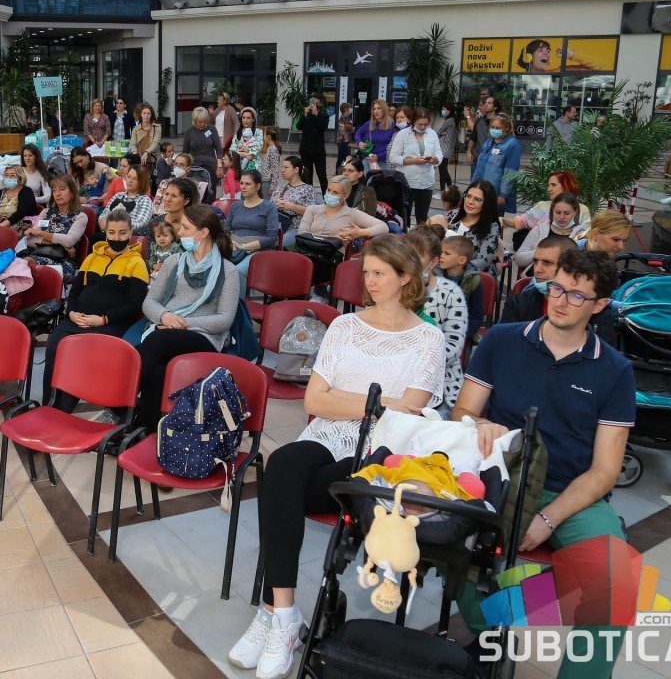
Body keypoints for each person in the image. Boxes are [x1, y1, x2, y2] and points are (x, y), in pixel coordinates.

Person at [230, 235, 445, 679]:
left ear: (406, 277)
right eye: (366, 272)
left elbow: (409, 412)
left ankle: (272, 616)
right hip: (326, 434)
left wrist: (354, 400)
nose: (370, 281)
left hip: (380, 450)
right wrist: (379, 401)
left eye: (380, 273)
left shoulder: (428, 338)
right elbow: (315, 400)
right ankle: (283, 614)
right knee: (283, 465)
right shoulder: (345, 327)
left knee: (288, 492)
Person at [453, 249, 634, 679]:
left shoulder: (615, 370)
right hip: (500, 474)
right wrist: (480, 424)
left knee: (615, 583)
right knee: (446, 541)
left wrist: (549, 518)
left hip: (568, 490)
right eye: (556, 288)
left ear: (599, 305)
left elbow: (605, 469)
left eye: (576, 295)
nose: (560, 301)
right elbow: (463, 412)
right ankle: (488, 635)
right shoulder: (502, 339)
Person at [135, 204, 240, 430]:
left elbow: (224, 320)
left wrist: (181, 324)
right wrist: (165, 316)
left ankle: (119, 403)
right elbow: (149, 302)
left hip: (204, 335)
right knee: (159, 368)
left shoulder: (228, 270)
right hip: (168, 328)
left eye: (185, 228)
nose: (179, 232)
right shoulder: (174, 262)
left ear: (203, 232)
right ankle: (147, 427)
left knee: (156, 341)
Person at [43, 209, 149, 412]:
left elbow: (135, 304)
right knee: (55, 346)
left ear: (130, 233)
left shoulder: (137, 263)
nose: (116, 238)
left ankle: (61, 411)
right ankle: (49, 406)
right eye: (112, 232)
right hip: (77, 319)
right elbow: (75, 291)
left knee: (80, 352)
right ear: (105, 233)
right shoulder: (92, 257)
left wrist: (103, 319)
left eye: (122, 233)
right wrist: (71, 312)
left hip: (110, 324)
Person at [405, 225, 468, 417]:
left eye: (415, 256)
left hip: (440, 386)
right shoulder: (393, 286)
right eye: (404, 254)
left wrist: (411, 359)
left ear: (433, 262)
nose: (407, 261)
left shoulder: (450, 293)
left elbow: (453, 347)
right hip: (397, 378)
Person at [291, 176, 388, 251]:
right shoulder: (312, 209)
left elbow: (383, 227)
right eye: (328, 190)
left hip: (332, 260)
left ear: (345, 196)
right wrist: (330, 240)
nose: (330, 194)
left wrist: (360, 232)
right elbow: (301, 235)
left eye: (335, 192)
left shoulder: (351, 213)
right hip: (307, 254)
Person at [19, 175, 88, 279]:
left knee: (26, 263)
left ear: (72, 192)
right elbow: (31, 239)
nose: (57, 194)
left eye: (62, 189)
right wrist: (61, 244)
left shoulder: (80, 217)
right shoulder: (46, 213)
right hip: (38, 254)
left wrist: (41, 233)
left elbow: (69, 241)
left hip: (63, 262)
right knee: (18, 263)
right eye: (54, 190)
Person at [499, 234, 576, 324]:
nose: (537, 270)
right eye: (536, 262)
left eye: (547, 263)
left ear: (569, 267)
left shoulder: (585, 304)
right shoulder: (519, 303)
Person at [225, 169, 279, 293]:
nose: (243, 187)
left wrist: (245, 246)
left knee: (238, 271)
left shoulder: (269, 207)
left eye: (248, 184)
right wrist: (231, 244)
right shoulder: (235, 206)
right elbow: (225, 231)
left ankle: (238, 304)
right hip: (233, 248)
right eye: (241, 183)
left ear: (258, 186)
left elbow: (272, 238)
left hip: (258, 250)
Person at [433, 179, 501, 277]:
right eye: (468, 196)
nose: (470, 202)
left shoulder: (491, 227)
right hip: (443, 272)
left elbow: (483, 262)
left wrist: (454, 266)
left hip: (473, 277)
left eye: (477, 199)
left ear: (487, 203)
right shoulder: (452, 216)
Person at [388, 106, 442, 225]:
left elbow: (439, 153)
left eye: (425, 124)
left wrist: (435, 159)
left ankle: (421, 235)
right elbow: (393, 157)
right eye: (420, 124)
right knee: (404, 215)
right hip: (407, 180)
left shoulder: (432, 133)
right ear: (412, 122)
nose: (423, 127)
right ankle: (405, 234)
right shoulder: (402, 134)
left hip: (427, 180)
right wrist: (414, 161)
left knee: (422, 217)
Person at [502, 170, 592, 238]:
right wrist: (500, 219)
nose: (548, 189)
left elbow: (585, 235)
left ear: (566, 186)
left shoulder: (582, 209)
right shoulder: (542, 206)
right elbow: (518, 222)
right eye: (548, 185)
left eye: (553, 185)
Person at [515, 192, 587, 270]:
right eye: (557, 212)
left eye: (567, 213)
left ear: (575, 212)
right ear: (552, 210)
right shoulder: (540, 229)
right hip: (535, 275)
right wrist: (541, 252)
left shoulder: (581, 234)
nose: (561, 217)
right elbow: (518, 259)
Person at [437, 235, 487, 340]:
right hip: (435, 330)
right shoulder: (434, 276)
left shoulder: (474, 281)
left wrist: (462, 335)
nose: (441, 256)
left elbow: (476, 316)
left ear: (462, 260)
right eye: (441, 252)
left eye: (447, 253)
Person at [470, 114, 522, 213]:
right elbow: (480, 165)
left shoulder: (512, 144)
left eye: (498, 128)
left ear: (507, 128)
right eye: (492, 127)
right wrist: (473, 186)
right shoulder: (489, 141)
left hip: (497, 193)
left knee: (495, 220)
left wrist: (503, 194)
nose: (494, 130)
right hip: (481, 190)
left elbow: (510, 172)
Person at [273, 155, 316, 252]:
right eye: (282, 167)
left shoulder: (308, 189)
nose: (282, 170)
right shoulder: (280, 188)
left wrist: (291, 207)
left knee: (275, 242)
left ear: (296, 170)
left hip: (295, 229)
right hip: (276, 227)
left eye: (286, 167)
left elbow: (312, 212)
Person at [99, 165, 153, 234]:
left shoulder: (145, 200)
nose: (130, 181)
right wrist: (103, 221)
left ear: (142, 181)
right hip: (109, 233)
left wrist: (115, 224)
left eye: (135, 179)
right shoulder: (118, 195)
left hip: (130, 236)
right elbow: (103, 215)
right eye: (129, 176)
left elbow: (140, 223)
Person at [0, 164, 38, 228]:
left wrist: (1, 227)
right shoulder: (1, 192)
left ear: (20, 178)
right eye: (7, 175)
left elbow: (20, 213)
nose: (8, 178)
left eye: (12, 176)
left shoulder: (26, 191)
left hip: (20, 225)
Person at [183, 106, 221, 189]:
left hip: (211, 167)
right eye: (200, 122)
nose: (203, 124)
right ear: (194, 120)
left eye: (204, 121)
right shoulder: (189, 132)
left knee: (210, 191)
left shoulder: (212, 129)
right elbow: (185, 153)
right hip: (194, 168)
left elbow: (219, 150)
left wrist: (219, 167)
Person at [298, 95, 329, 188]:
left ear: (320, 104)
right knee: (307, 176)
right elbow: (299, 126)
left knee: (322, 175)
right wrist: (304, 114)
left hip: (318, 151)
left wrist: (316, 114)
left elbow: (322, 127)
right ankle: (309, 195)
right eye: (312, 102)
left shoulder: (324, 115)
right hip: (305, 150)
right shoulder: (306, 114)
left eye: (317, 103)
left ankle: (325, 195)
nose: (314, 105)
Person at [353, 98, 393, 167]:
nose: (376, 111)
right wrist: (360, 142)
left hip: (383, 162)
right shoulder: (368, 124)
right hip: (367, 160)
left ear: (384, 110)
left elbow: (393, 147)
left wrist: (378, 157)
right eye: (374, 109)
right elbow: (358, 133)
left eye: (378, 108)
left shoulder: (392, 125)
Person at [233, 108, 264, 173]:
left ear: (253, 119)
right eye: (243, 117)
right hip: (239, 167)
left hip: (254, 168)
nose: (245, 120)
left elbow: (252, 154)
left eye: (248, 118)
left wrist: (239, 152)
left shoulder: (259, 132)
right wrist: (247, 152)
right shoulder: (238, 132)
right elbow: (233, 151)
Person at [467, 96, 496, 165]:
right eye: (485, 103)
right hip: (477, 158)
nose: (479, 107)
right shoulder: (479, 121)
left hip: (492, 160)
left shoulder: (499, 122)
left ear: (495, 107)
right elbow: (473, 138)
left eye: (489, 103)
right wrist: (469, 152)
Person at [435, 102, 456, 191]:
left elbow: (438, 131)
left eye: (444, 109)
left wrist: (440, 133)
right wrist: (442, 133)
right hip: (447, 148)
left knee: (442, 171)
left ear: (449, 110)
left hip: (443, 149)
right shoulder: (453, 120)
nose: (443, 111)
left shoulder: (449, 120)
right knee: (444, 170)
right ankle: (450, 188)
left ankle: (442, 191)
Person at [260, 128, 283, 201]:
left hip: (268, 183)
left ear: (268, 137)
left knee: (266, 202)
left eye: (264, 135)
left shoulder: (273, 150)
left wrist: (272, 187)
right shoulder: (270, 148)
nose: (263, 137)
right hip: (265, 181)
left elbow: (275, 170)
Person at [334, 102, 355, 169]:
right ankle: (341, 171)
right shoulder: (346, 117)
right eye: (349, 108)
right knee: (346, 158)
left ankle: (340, 171)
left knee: (341, 158)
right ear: (346, 109)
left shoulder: (342, 116)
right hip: (343, 140)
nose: (350, 110)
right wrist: (353, 128)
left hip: (341, 140)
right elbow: (349, 128)